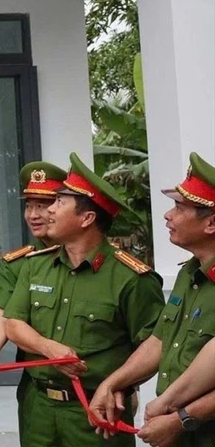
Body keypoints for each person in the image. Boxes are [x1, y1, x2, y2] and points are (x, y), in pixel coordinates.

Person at [4, 152, 165, 447]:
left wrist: (118, 384)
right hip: (38, 409)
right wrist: (49, 348)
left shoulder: (131, 278)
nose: (49, 210)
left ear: (87, 218)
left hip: (96, 413)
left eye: (59, 203)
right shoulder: (35, 266)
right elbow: (13, 324)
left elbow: (155, 346)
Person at [90, 152, 215, 445]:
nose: (168, 215)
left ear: (211, 224)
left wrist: (181, 418)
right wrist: (113, 383)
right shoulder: (189, 273)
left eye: (179, 208)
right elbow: (160, 341)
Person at [0, 161, 68, 371]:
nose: (33, 215)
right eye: (28, 206)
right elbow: (3, 314)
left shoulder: (86, 258)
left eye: (42, 206)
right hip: (37, 380)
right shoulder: (17, 263)